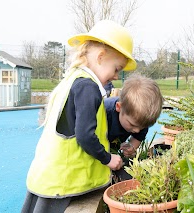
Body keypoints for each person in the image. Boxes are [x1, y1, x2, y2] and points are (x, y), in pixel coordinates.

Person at [21, 20, 137, 213]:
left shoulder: (73, 79)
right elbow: (85, 136)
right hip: (63, 182)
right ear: (100, 57)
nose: (116, 76)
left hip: (49, 176)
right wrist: (108, 159)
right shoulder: (88, 87)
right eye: (116, 69)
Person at [104, 74, 164, 181]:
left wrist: (131, 148)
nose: (137, 130)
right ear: (119, 107)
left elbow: (137, 138)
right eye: (132, 125)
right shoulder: (104, 113)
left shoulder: (141, 120)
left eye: (143, 127)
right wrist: (106, 158)